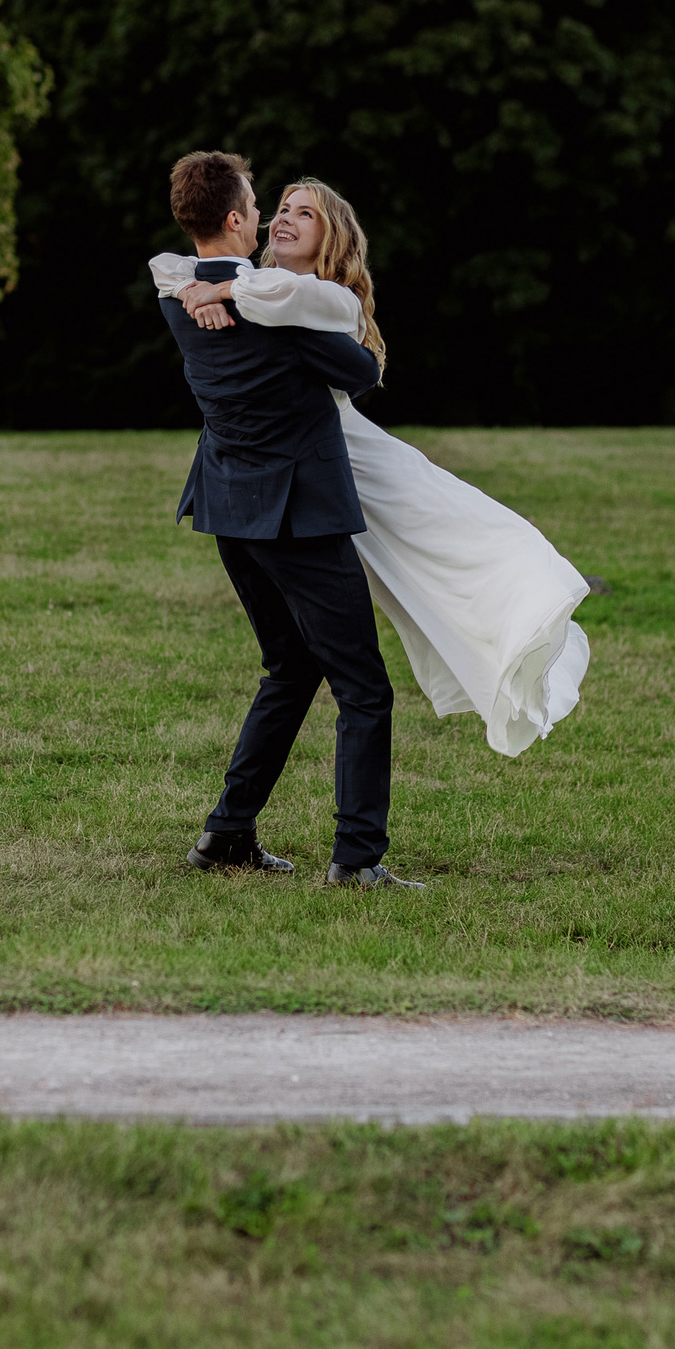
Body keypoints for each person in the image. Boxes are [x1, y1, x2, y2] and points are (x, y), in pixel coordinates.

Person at [158, 176, 592, 761]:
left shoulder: (319, 301)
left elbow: (340, 350)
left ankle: (517, 616)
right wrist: (208, 288)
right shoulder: (250, 284)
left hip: (354, 464)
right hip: (307, 478)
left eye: (303, 214)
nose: (281, 218)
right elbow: (173, 267)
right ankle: (282, 837)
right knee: (321, 665)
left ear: (330, 239)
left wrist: (220, 291)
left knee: (464, 548)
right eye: (278, 208)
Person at [157, 150, 419, 889]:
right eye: (265, 207)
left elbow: (176, 274)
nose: (274, 220)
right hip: (296, 516)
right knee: (363, 686)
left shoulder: (183, 292)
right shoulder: (277, 308)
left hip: (227, 511)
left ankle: (226, 833)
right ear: (238, 219)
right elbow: (363, 371)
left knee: (293, 666)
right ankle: (358, 857)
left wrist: (207, 291)